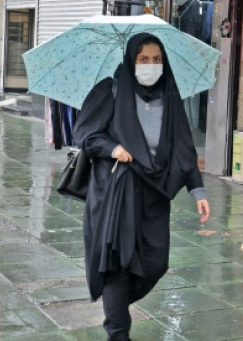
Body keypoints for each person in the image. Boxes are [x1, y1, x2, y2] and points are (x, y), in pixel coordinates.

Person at [74, 34, 211, 341]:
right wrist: (114, 148)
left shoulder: (170, 96)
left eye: (157, 60)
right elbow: (86, 136)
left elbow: (184, 148)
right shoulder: (110, 90)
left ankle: (116, 304)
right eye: (144, 59)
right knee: (118, 263)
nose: (151, 66)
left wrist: (197, 191)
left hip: (156, 192)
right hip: (117, 192)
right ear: (131, 60)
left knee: (156, 263)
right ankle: (118, 332)